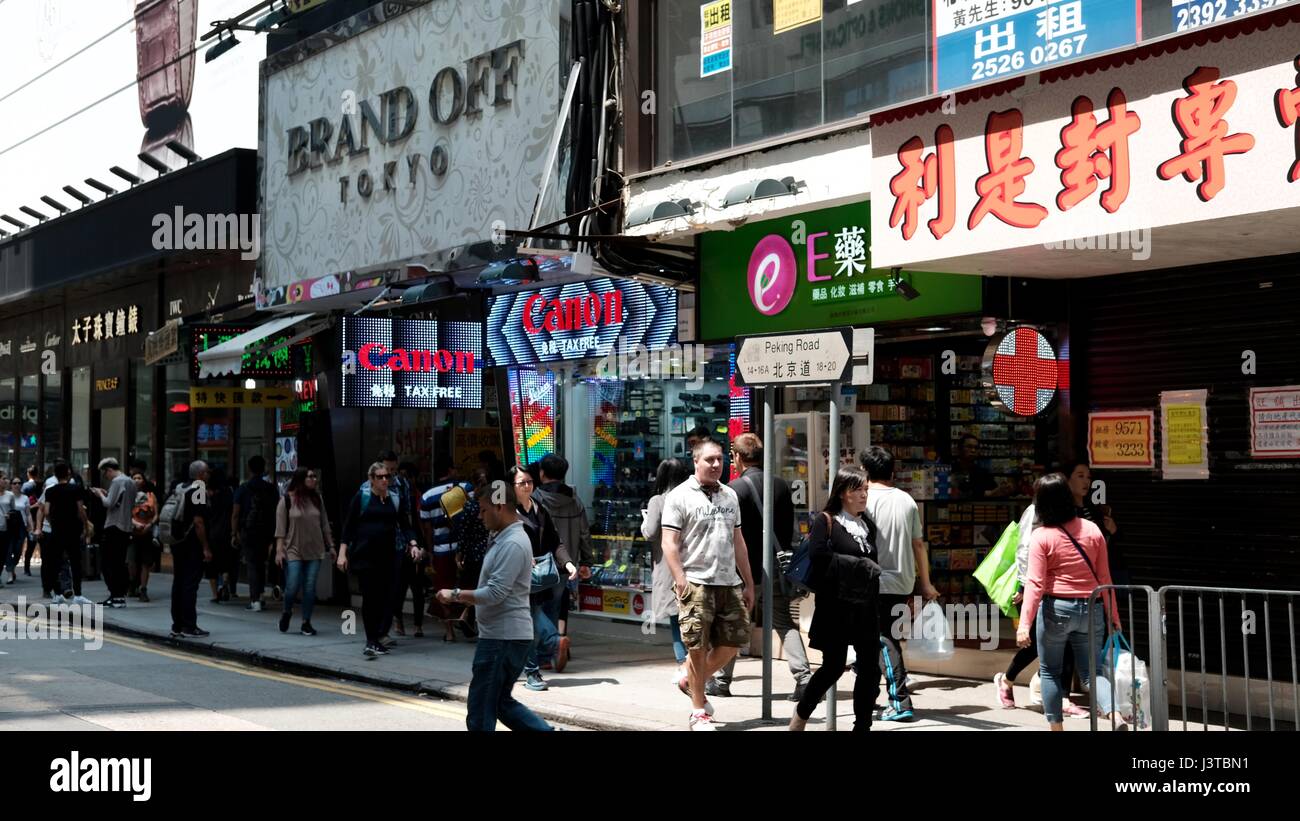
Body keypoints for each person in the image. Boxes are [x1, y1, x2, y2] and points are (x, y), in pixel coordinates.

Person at [435, 478, 553, 732]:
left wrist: (455, 594)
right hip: (503, 636)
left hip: (502, 638)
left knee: (480, 710)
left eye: (484, 509)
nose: (479, 516)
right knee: (500, 703)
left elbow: (495, 593)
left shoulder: (511, 542)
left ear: (499, 507)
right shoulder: (504, 537)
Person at [1016, 473, 1124, 730]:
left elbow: (1035, 583)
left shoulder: (1042, 536)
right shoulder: (1092, 530)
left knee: (1050, 671)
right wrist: (1114, 616)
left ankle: (1057, 728)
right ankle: (1115, 714)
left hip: (1056, 609)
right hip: (1092, 608)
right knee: (1092, 673)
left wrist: (1024, 624)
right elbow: (1105, 578)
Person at [661, 438, 756, 731]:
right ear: (696, 462)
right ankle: (698, 711)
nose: (716, 465)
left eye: (719, 459)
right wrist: (680, 580)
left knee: (734, 642)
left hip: (728, 582)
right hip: (696, 582)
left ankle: (688, 680)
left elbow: (738, 541)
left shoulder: (730, 495)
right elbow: (669, 542)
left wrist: (748, 583)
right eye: (709, 460)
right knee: (697, 649)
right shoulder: (679, 496)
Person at [711, 433, 811, 702]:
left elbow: (725, 534)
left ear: (738, 457)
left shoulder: (733, 489)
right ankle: (804, 679)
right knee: (783, 622)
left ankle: (721, 680)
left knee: (733, 624)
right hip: (777, 567)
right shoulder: (780, 485)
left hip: (744, 571)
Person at [789, 466, 884, 732]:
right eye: (858, 490)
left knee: (869, 670)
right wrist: (857, 565)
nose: (864, 495)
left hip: (865, 608)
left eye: (866, 489)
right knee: (832, 667)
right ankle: (801, 715)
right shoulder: (827, 520)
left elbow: (872, 562)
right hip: (836, 607)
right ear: (843, 493)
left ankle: (862, 726)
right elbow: (819, 557)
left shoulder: (867, 525)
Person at [861, 445, 936, 721]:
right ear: (892, 471)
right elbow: (919, 545)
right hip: (902, 581)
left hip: (874, 581)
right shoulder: (906, 500)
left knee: (884, 639)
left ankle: (900, 700)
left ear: (865, 472)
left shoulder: (863, 499)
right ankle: (868, 698)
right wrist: (924, 583)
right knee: (873, 640)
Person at [338, 461, 421, 657]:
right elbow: (348, 527)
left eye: (387, 476)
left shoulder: (394, 498)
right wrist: (342, 553)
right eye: (380, 477)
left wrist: (414, 544)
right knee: (371, 598)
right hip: (366, 556)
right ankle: (371, 640)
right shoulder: (363, 497)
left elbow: (405, 524)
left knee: (386, 598)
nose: (385, 480)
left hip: (389, 557)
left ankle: (377, 637)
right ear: (371, 479)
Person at [512, 466, 579, 691]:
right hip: (516, 576)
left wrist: (568, 563)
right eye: (522, 482)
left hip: (538, 577)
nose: (527, 486)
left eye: (530, 481)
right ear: (512, 486)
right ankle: (545, 653)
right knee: (529, 620)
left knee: (529, 620)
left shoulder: (540, 509)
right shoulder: (508, 512)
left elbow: (555, 541)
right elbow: (497, 538)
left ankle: (535, 664)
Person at [531, 454, 591, 659]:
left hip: (540, 563)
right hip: (567, 565)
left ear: (542, 473)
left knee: (533, 609)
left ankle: (551, 647)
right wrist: (586, 561)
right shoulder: (575, 499)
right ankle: (549, 652)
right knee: (554, 608)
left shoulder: (536, 498)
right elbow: (584, 532)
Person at [643, 457, 693, 680]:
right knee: (692, 618)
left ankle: (684, 665)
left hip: (668, 566)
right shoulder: (693, 498)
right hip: (693, 564)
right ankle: (695, 663)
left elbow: (650, 532)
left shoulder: (658, 501)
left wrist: (644, 522)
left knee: (676, 619)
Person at [420, 456, 476, 640]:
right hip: (466, 547)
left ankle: (449, 631)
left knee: (443, 588)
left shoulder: (427, 496)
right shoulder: (466, 488)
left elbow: (427, 529)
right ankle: (465, 615)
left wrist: (430, 552)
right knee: (468, 585)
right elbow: (475, 514)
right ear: (451, 470)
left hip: (441, 548)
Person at [276, 468, 334, 635]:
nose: (314, 479)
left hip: (315, 550)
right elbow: (280, 530)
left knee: (309, 588)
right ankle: (287, 611)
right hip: (293, 549)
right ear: (301, 479)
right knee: (292, 586)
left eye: (315, 476)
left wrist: (332, 546)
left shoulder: (317, 499)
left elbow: (324, 524)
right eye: (310, 476)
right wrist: (279, 551)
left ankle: (306, 622)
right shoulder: (286, 500)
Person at [1065, 461, 1127, 584]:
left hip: (1101, 571)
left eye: (1088, 477)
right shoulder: (1065, 511)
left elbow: (1114, 540)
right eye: (1080, 476)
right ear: (1067, 480)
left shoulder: (1093, 508)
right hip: (1077, 574)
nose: (1086, 482)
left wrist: (1113, 530)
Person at [232, 456, 280, 611]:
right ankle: (260, 594)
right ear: (264, 467)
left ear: (249, 468)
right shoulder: (271, 488)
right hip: (267, 530)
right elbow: (277, 510)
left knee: (252, 564)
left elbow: (235, 513)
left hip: (249, 530)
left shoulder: (243, 488)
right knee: (261, 563)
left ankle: (255, 600)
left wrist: (234, 533)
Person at [171, 461, 213, 638]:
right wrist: (205, 547)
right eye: (207, 472)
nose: (209, 475)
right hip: (191, 544)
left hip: (177, 542)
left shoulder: (180, 487)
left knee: (179, 582)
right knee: (190, 584)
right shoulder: (199, 490)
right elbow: (198, 522)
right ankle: (189, 625)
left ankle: (177, 624)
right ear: (201, 474)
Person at [41, 462, 93, 605]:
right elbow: (81, 510)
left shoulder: (50, 491)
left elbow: (46, 511)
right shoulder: (75, 489)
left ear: (55, 475)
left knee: (55, 562)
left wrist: (52, 523)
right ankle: (78, 594)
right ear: (68, 473)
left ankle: (57, 594)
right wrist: (86, 527)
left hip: (57, 530)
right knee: (75, 562)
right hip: (73, 530)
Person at [91, 458, 136, 608]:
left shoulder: (117, 481)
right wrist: (107, 493)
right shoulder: (130, 481)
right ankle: (119, 597)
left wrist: (100, 494)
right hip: (126, 526)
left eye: (105, 474)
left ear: (109, 470)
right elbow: (122, 501)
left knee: (108, 563)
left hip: (114, 525)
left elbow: (108, 503)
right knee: (119, 562)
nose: (106, 477)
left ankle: (115, 595)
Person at [204, 469, 235, 603]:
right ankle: (225, 584)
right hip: (226, 531)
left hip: (211, 531)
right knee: (226, 562)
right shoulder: (228, 493)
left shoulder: (206, 493)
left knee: (211, 564)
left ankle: (215, 595)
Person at [128, 471, 159, 603]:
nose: (136, 480)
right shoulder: (128, 496)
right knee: (132, 562)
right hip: (132, 534)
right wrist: (134, 523)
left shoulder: (151, 496)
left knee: (146, 563)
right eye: (134, 478)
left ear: (144, 480)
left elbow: (157, 514)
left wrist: (150, 524)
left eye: (139, 477)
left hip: (147, 534)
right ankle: (132, 583)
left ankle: (143, 589)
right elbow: (124, 514)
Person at [953, 434, 1011, 499]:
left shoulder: (983, 473)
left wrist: (1003, 489)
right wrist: (985, 493)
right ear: (959, 449)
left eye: (976, 448)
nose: (973, 450)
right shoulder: (950, 470)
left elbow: (995, 492)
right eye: (969, 447)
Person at [5, 477, 31, 584]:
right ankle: (10, 573)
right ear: (11, 485)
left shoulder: (25, 498)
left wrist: (31, 526)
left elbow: (28, 514)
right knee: (8, 550)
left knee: (18, 550)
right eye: (14, 483)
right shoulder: (7, 496)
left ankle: (12, 567)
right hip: (8, 527)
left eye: (19, 483)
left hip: (21, 527)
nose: (17, 485)